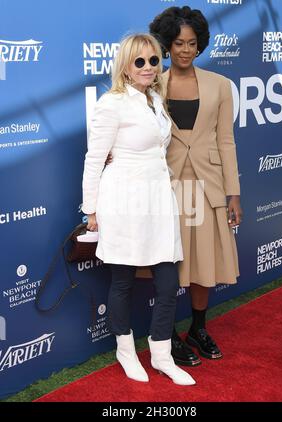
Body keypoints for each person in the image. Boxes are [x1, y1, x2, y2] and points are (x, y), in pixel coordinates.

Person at [81, 33, 195, 385]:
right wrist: (92, 210)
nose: (148, 67)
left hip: (158, 200)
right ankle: (126, 351)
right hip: (124, 201)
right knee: (123, 281)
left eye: (153, 60)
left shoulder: (155, 99)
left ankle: (161, 355)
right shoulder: (112, 103)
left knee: (167, 281)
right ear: (126, 68)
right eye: (139, 62)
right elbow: (95, 158)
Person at [149, 6, 242, 366]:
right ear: (167, 45)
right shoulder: (152, 83)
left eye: (191, 43)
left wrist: (233, 192)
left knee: (203, 260)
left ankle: (198, 328)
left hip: (208, 184)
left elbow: (226, 141)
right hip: (166, 184)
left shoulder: (220, 86)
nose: (185, 50)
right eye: (177, 43)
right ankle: (168, 334)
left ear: (200, 44)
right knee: (170, 262)